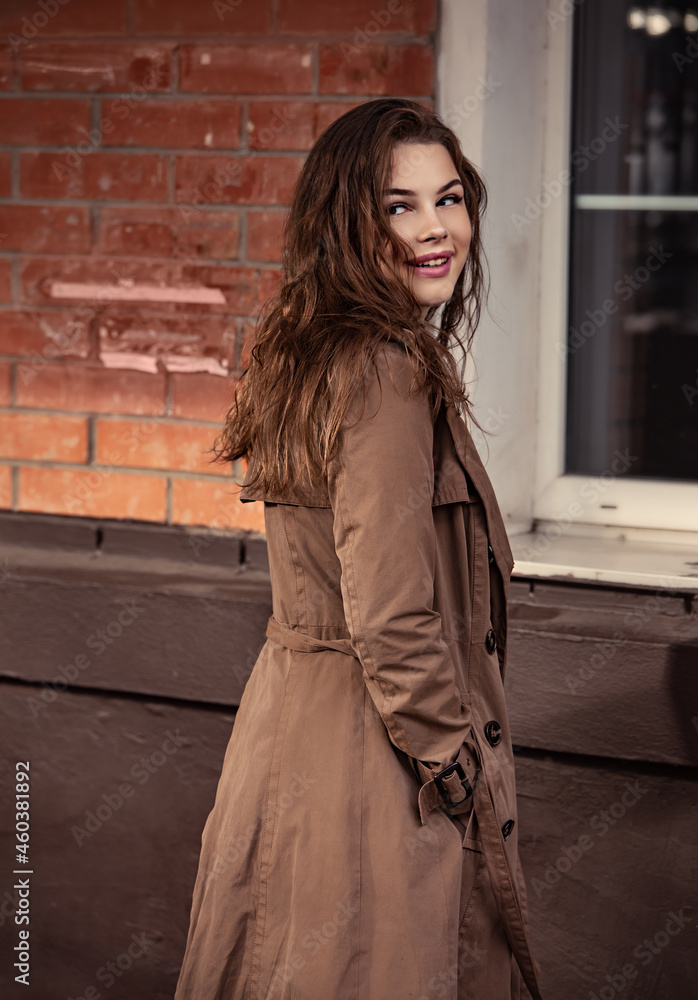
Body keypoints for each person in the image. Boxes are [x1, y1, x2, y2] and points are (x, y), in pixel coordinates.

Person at [174, 98, 542, 1000]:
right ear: (348, 222)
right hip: (379, 766)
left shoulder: (306, 351)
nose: (436, 229)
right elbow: (390, 609)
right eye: (399, 206)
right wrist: (454, 766)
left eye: (449, 199)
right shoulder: (383, 368)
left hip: (293, 736)